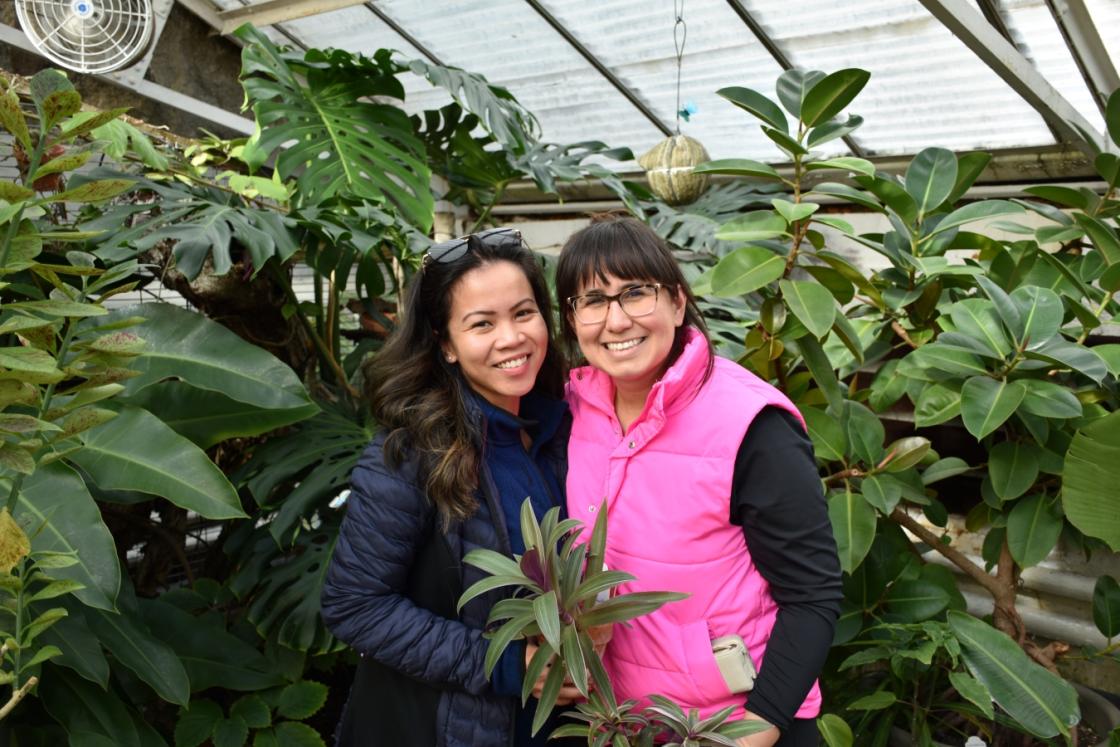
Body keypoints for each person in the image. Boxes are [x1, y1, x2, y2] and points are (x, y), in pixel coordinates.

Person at [555, 216, 843, 747]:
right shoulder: (574, 410)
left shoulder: (751, 424)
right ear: (572, 320)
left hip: (732, 724)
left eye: (636, 293)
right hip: (621, 722)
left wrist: (757, 728)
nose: (615, 320)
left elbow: (813, 596)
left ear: (679, 302)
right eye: (592, 301)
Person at [321, 227, 581, 747]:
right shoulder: (413, 454)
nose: (511, 338)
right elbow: (354, 604)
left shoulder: (564, 427)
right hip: (453, 724)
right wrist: (509, 663)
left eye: (524, 313)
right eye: (482, 324)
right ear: (446, 345)